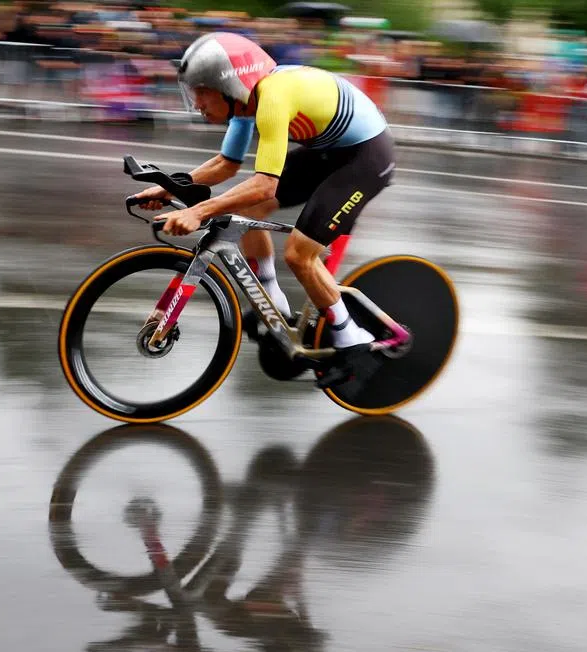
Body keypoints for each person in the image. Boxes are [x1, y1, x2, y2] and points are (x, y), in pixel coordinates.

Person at [132, 31, 396, 388]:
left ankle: (354, 340)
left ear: (227, 86)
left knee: (300, 255)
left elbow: (264, 183)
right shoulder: (245, 102)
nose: (197, 104)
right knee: (251, 208)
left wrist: (199, 212)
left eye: (202, 92)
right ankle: (275, 304)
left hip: (365, 157)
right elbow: (226, 165)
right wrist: (166, 188)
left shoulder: (272, 97)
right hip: (328, 151)